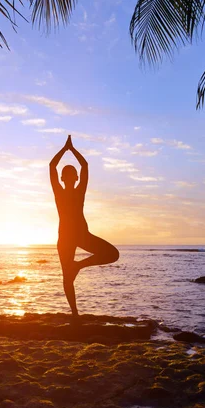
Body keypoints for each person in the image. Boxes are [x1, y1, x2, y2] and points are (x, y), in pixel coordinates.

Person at [49, 135, 119, 316]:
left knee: (113, 254)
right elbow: (54, 167)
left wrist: (67, 149)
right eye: (68, 175)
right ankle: (75, 314)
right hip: (67, 237)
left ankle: (78, 266)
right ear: (65, 178)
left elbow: (78, 167)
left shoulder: (76, 191)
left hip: (79, 234)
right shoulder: (61, 192)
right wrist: (69, 149)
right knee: (67, 278)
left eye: (72, 175)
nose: (70, 178)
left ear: (73, 178)